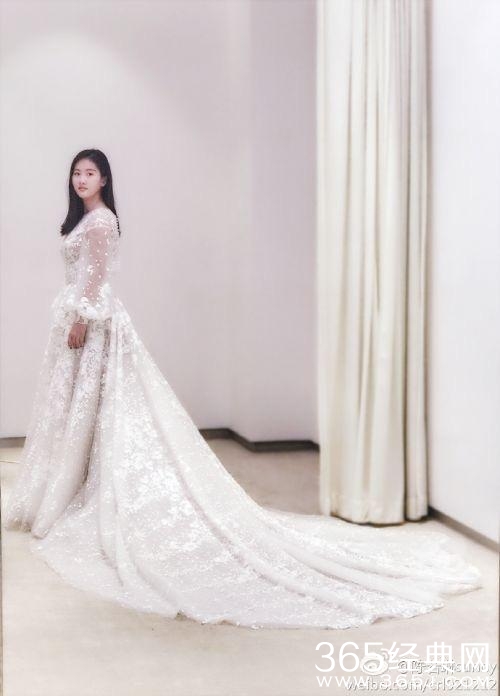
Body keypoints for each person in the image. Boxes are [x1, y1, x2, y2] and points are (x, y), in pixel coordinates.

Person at [3, 148, 482, 630]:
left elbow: (95, 279)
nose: (81, 179)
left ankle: (80, 492)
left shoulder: (102, 221)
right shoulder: (86, 219)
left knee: (96, 411)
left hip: (91, 323)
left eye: (90, 172)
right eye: (77, 173)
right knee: (81, 413)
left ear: (105, 179)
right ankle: (72, 487)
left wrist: (83, 319)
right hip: (79, 320)